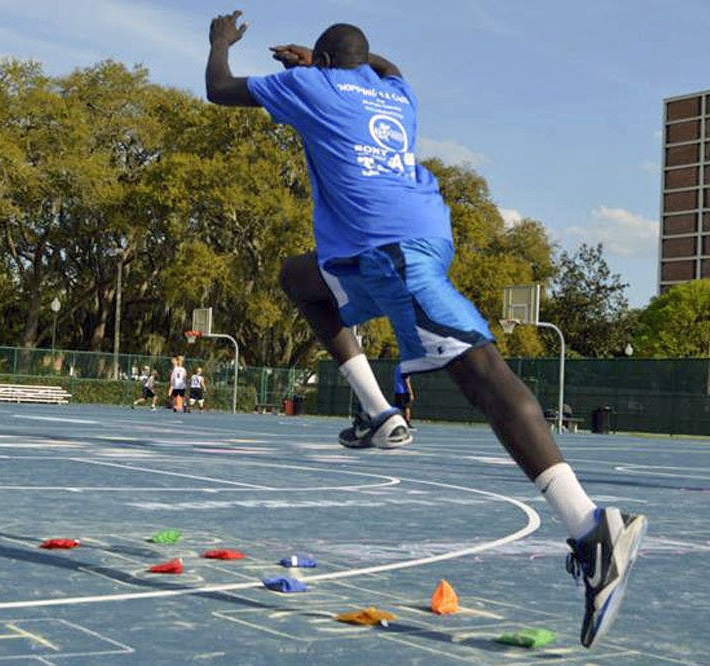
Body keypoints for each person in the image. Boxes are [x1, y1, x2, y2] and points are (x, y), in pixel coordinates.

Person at [205, 12, 646, 648]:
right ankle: (378, 412)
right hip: (400, 243)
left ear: (325, 64)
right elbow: (386, 67)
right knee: (301, 278)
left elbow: (220, 89)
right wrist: (333, 64)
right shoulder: (396, 93)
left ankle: (590, 529)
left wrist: (221, 42)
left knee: (488, 380)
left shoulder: (313, 88)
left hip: (393, 253)